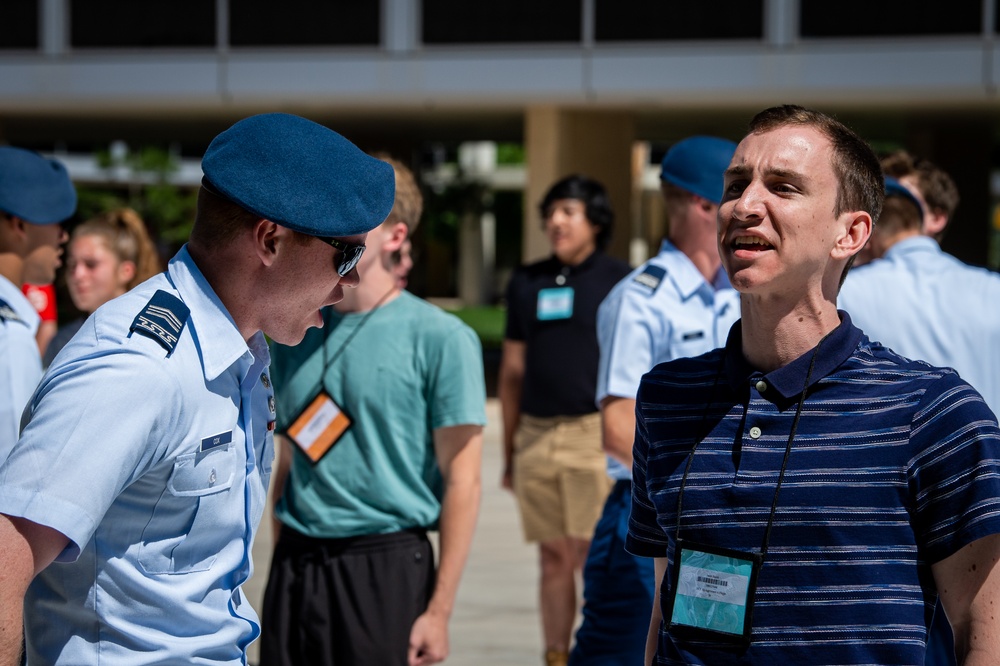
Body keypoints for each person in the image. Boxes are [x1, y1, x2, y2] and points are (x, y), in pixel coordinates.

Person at [0, 112, 396, 666]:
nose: (351, 281)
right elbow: (6, 557)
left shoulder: (244, 354)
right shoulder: (140, 369)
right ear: (271, 240)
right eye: (346, 255)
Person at [628, 104, 1000, 665]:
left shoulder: (936, 414)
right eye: (736, 185)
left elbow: (984, 631)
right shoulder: (667, 398)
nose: (746, 206)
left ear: (850, 233)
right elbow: (665, 607)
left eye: (782, 187)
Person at [260, 155, 485, 666]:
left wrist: (439, 611)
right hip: (297, 563)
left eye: (358, 214)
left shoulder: (443, 338)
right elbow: (291, 457)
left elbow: (463, 482)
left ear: (396, 236)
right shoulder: (293, 332)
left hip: (383, 567)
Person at [570, 136, 740, 666]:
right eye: (737, 195)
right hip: (647, 516)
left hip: (722, 515)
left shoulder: (739, 294)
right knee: (618, 654)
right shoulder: (640, 299)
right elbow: (619, 428)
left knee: (702, 652)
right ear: (704, 205)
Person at [840, 161, 1000, 666]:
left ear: (867, 231)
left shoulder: (848, 296)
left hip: (891, 517)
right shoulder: (991, 290)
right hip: (986, 500)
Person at [498, 174, 631, 666]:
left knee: (587, 557)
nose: (556, 221)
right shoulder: (526, 281)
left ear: (595, 221)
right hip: (534, 436)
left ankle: (598, 653)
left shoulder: (621, 280)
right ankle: (555, 656)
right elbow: (511, 373)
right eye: (551, 212)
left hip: (591, 437)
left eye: (568, 212)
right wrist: (511, 451)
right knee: (552, 557)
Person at [0, 146, 75, 461]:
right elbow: (11, 476)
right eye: (56, 223)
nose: (63, 238)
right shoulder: (11, 340)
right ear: (20, 226)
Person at [43, 207, 161, 366]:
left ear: (125, 271)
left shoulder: (148, 336)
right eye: (72, 265)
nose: (77, 275)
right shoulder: (63, 341)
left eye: (91, 265)